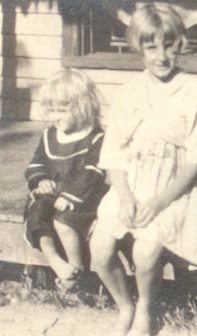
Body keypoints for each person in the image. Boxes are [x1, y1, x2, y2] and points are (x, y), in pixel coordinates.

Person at [89, 3, 197, 336]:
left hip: (172, 190)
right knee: (100, 248)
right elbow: (114, 154)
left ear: (180, 43)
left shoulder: (192, 90)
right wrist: (125, 197)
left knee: (146, 250)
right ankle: (126, 306)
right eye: (152, 47)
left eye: (168, 45)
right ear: (139, 47)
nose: (161, 55)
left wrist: (160, 202)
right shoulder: (129, 91)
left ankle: (147, 309)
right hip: (131, 185)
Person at [24, 68, 107, 289]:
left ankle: (77, 269)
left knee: (64, 220)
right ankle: (56, 261)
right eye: (51, 111)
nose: (55, 117)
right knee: (37, 212)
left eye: (62, 110)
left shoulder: (95, 138)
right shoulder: (49, 136)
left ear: (83, 107)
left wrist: (71, 195)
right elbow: (36, 163)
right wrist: (41, 180)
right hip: (53, 194)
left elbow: (93, 172)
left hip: (83, 196)